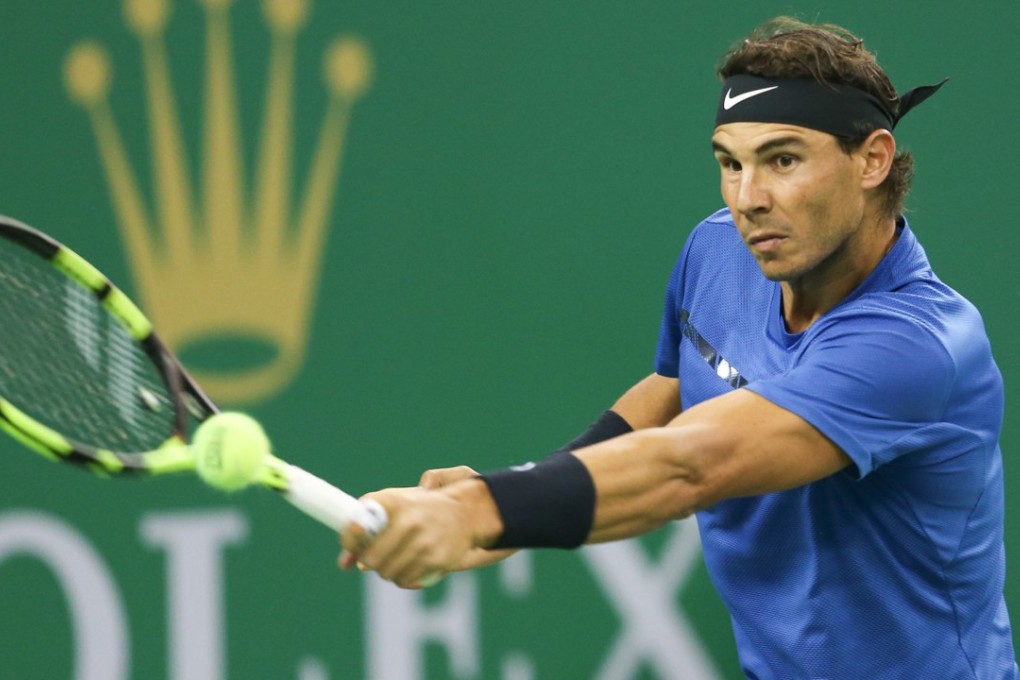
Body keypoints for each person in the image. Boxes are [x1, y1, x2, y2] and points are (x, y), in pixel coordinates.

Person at [340, 16, 1019, 679]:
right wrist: (512, 501)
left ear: (872, 159)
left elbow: (693, 465)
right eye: (730, 163)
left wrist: (474, 511)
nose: (748, 198)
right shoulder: (721, 249)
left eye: (782, 160)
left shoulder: (917, 347)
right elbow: (676, 391)